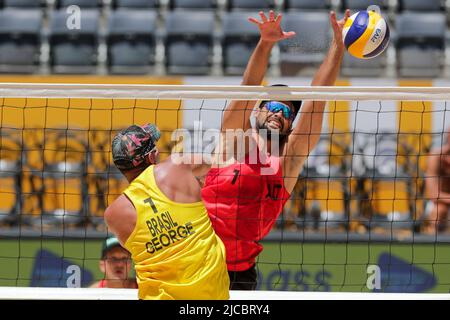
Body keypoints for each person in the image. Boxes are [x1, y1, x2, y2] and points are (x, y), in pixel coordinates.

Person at [201, 10, 350, 290]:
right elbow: (248, 87)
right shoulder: (234, 142)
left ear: (290, 125)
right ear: (256, 110)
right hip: (199, 262)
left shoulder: (289, 161)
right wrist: (266, 43)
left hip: (241, 273)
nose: (278, 112)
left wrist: (338, 46)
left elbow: (318, 98)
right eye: (271, 105)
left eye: (286, 111)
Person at [103, 124, 229, 300]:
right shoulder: (179, 165)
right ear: (152, 155)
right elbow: (214, 161)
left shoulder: (113, 215)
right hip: (209, 297)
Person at [423, 129, 450, 234]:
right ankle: (433, 242)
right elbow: (434, 195)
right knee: (439, 211)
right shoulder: (436, 158)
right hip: (438, 203)